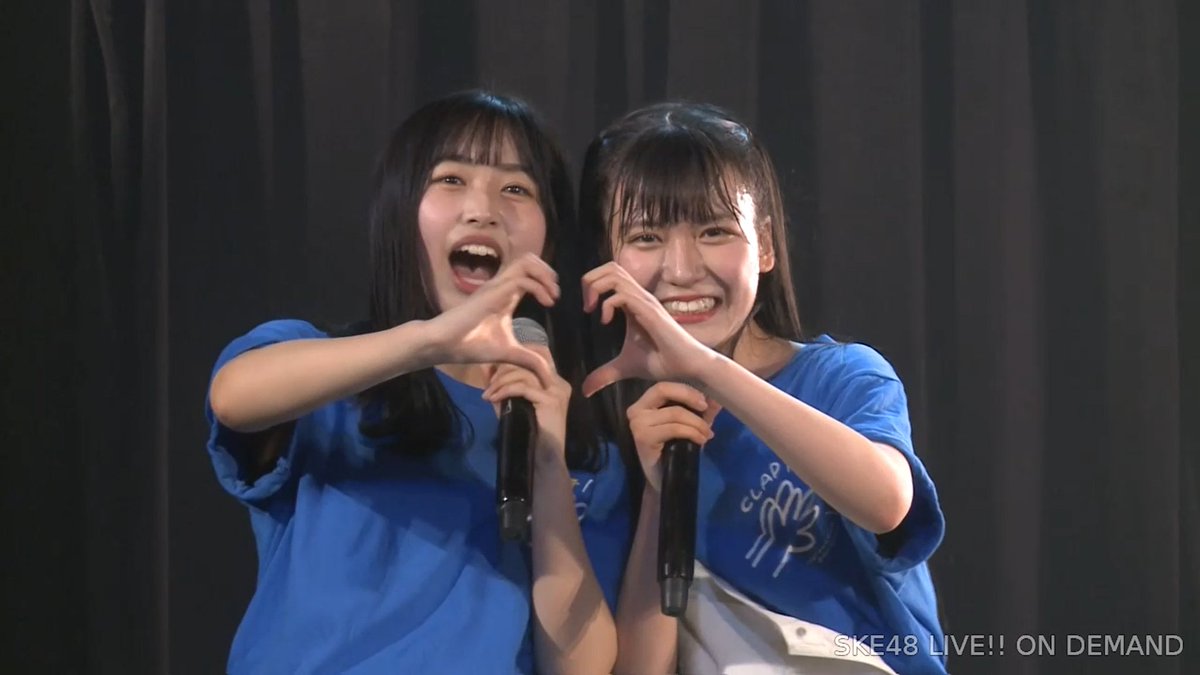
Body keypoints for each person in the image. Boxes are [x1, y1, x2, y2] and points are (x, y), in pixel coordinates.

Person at [205, 90, 627, 674]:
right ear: (401, 215)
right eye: (451, 179)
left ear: (549, 242)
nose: (483, 210)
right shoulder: (330, 379)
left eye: (516, 189)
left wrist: (549, 467)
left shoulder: (581, 447)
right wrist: (429, 340)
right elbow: (233, 397)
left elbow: (582, 667)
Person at [577, 102, 946, 674]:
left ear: (765, 245)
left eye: (714, 231)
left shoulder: (841, 375)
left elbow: (887, 504)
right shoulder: (627, 440)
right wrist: (658, 493)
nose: (682, 269)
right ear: (609, 260)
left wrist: (707, 369)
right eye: (646, 236)